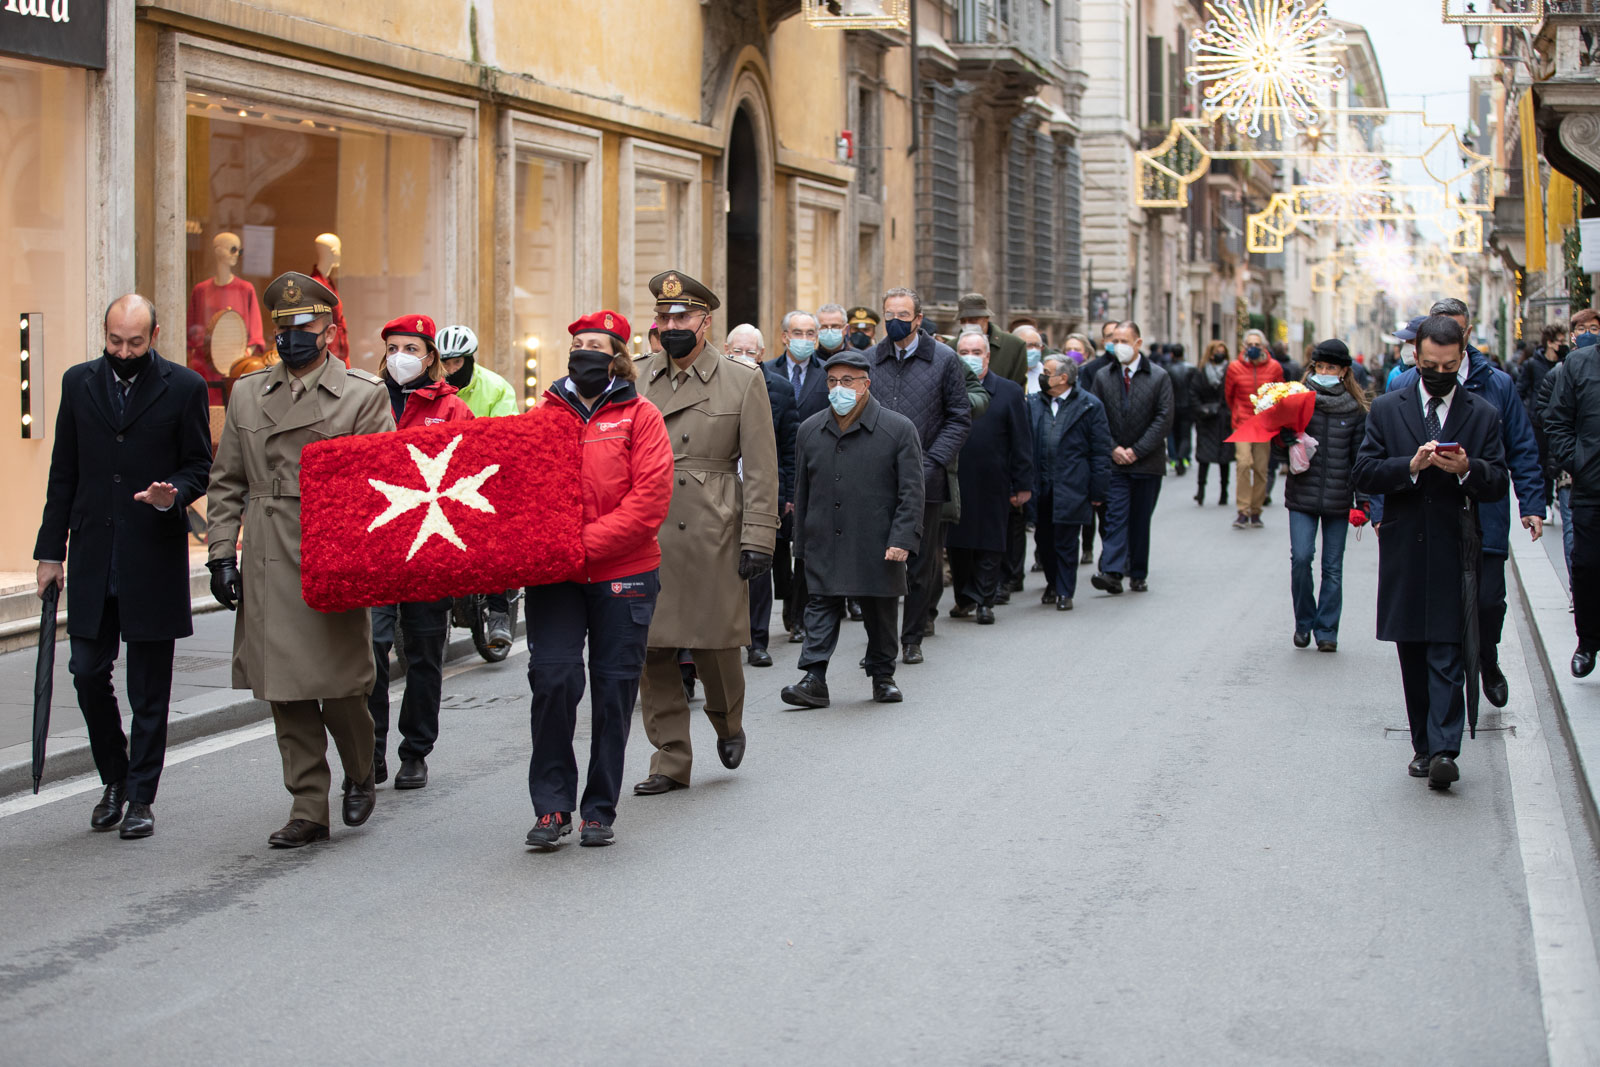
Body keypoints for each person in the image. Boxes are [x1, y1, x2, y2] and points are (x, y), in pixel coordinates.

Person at [207, 271, 394, 847]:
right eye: (283, 326)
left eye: (305, 325)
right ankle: (308, 805)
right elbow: (227, 482)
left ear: (331, 331)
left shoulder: (364, 394)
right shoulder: (246, 393)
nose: (292, 336)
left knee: (341, 688)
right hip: (266, 555)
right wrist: (220, 555)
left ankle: (360, 770)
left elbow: (383, 485)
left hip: (329, 554)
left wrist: (371, 561)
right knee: (284, 689)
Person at [33, 295, 212, 839]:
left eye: (134, 343)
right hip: (91, 556)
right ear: (105, 334)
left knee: (148, 691)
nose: (123, 352)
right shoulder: (78, 382)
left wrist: (171, 495)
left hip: (151, 557)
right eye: (115, 341)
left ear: (154, 336)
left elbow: (199, 467)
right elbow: (63, 470)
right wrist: (49, 552)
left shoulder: (184, 388)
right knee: (86, 672)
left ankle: (140, 797)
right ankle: (114, 776)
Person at [523, 310, 674, 850]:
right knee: (553, 679)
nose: (585, 350)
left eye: (597, 344)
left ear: (616, 355)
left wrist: (583, 544)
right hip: (556, 577)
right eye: (578, 342)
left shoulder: (641, 415)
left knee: (613, 692)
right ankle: (551, 808)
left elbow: (651, 497)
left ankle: (598, 809)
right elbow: (521, 493)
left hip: (625, 573)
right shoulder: (542, 415)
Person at [633, 270, 778, 796]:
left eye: (682, 316)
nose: (671, 324)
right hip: (648, 527)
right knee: (653, 646)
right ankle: (669, 757)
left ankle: (727, 720)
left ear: (704, 321)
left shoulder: (742, 379)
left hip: (714, 523)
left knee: (716, 643)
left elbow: (761, 466)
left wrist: (759, 536)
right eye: (663, 316)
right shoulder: (637, 377)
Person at [1352, 315, 1508, 791]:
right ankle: (1423, 744)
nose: (1439, 371)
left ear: (1461, 359)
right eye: (1430, 363)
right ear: (1415, 358)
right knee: (1413, 652)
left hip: (1453, 544)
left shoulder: (1480, 413)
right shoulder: (1386, 409)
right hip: (1403, 545)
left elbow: (1498, 479)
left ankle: (1444, 749)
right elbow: (1364, 472)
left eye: (1449, 363)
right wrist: (1411, 467)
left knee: (1447, 648)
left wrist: (1467, 469)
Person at [1390, 296, 1544, 709]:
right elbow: (1380, 450)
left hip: (1483, 515)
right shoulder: (1404, 385)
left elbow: (1521, 448)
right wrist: (1374, 506)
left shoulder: (1498, 384)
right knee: (1441, 616)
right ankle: (1444, 710)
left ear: (1465, 337)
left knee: (1489, 602)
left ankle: (1486, 657)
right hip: (1427, 523)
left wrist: (1532, 503)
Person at [366, 315, 473, 791]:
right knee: (370, 649)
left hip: (430, 547)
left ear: (429, 356)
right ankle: (370, 749)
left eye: (410, 348)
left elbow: (468, 470)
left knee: (425, 654)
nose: (399, 358)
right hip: (377, 546)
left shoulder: (452, 408)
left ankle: (415, 752)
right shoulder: (364, 398)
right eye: (392, 348)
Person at [781, 350, 923, 708]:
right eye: (832, 381)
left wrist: (902, 538)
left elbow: (912, 491)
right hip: (823, 538)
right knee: (820, 605)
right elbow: (803, 490)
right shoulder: (811, 430)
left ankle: (882, 676)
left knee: (880, 611)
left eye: (847, 381)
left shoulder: (898, 429)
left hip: (876, 540)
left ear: (865, 384)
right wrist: (800, 542)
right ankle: (813, 678)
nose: (838, 388)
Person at [867, 286, 972, 665]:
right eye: (889, 316)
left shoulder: (944, 360)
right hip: (876, 480)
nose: (895, 323)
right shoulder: (869, 360)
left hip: (926, 479)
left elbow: (959, 417)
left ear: (918, 319)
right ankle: (879, 644)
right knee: (876, 561)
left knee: (921, 561)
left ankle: (912, 637)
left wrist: (932, 462)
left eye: (902, 316)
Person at [1283, 340, 1370, 652]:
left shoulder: (1355, 410)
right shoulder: (1297, 401)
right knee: (1301, 558)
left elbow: (1361, 458)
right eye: (1319, 367)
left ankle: (1327, 630)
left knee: (1333, 567)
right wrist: (1285, 440)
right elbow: (1281, 450)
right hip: (1302, 493)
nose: (1324, 372)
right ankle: (1304, 623)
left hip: (1338, 497)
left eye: (1330, 368)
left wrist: (1364, 502)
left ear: (1344, 371)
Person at [437, 323, 519, 648]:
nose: (450, 369)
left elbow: (504, 436)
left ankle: (499, 613)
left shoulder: (496, 388)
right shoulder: (434, 386)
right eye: (446, 362)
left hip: (484, 474)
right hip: (443, 476)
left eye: (457, 362)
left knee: (491, 541)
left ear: (470, 359)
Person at [945, 328, 1032, 624]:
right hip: (956, 480)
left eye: (976, 352)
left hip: (995, 480)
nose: (970, 358)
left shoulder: (1008, 391)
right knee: (958, 545)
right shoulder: (948, 387)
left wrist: (1022, 483)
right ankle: (964, 599)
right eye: (964, 352)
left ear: (988, 356)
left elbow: (1021, 440)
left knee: (990, 542)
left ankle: (985, 599)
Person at [726, 323, 797, 667]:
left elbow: (788, 449)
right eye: (736, 351)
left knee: (757, 565)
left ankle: (757, 641)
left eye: (749, 352)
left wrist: (786, 495)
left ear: (762, 355)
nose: (742, 358)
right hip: (721, 489)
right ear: (726, 351)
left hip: (760, 490)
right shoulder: (715, 385)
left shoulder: (780, 390)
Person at [1088, 321, 1173, 595]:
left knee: (1139, 519)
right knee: (1115, 517)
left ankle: (1137, 572)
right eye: (1115, 340)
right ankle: (1112, 571)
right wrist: (1113, 448)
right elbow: (1095, 416)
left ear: (1138, 343)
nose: (1119, 345)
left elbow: (1163, 419)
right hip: (1115, 463)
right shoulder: (1103, 377)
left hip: (1147, 463)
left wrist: (1137, 450)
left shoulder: (1159, 377)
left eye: (1125, 340)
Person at [1538, 309, 1600, 676]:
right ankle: (1588, 641)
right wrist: (1576, 462)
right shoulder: (1578, 364)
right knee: (1588, 565)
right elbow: (1556, 418)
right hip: (1591, 485)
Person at [767, 310, 830, 645]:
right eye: (797, 332)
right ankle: (788, 599)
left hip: (816, 471)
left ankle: (800, 614)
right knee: (777, 546)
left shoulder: (827, 375)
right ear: (784, 336)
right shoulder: (767, 372)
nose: (804, 339)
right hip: (776, 470)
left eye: (810, 333)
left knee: (805, 546)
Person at [1031, 355, 1111, 611]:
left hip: (1072, 484)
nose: (1042, 376)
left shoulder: (1090, 405)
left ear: (1063, 378)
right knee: (1044, 540)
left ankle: (1065, 590)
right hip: (1041, 484)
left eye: (1047, 372)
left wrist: (1098, 489)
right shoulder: (1034, 403)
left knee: (1066, 541)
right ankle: (1053, 583)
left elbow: (1100, 451)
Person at [1225, 329, 1284, 529]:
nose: (1253, 348)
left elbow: (1280, 393)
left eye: (1257, 345)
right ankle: (1242, 510)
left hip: (1264, 423)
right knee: (1243, 463)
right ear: (1244, 347)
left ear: (1264, 346)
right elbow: (1229, 396)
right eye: (1249, 344)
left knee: (1260, 468)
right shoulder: (1234, 368)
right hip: (1242, 423)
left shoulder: (1274, 367)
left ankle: (1256, 511)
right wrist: (1238, 413)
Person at [1191, 340, 1233, 506]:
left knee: (1224, 458)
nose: (1219, 354)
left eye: (1222, 351)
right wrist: (1201, 409)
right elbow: (1193, 393)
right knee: (1204, 457)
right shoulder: (1201, 371)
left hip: (1223, 419)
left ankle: (1224, 492)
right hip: (1206, 419)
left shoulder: (1230, 370)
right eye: (1217, 351)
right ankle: (1200, 490)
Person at [955, 292, 1027, 386]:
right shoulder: (950, 347)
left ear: (986, 318)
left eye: (973, 319)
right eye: (963, 321)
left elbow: (1018, 385)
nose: (968, 324)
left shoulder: (1014, 346)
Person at [1166, 343, 1193, 476]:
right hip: (1187, 406)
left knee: (1172, 435)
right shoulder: (1190, 369)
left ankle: (1175, 458)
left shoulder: (1167, 369)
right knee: (1185, 435)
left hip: (1172, 406)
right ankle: (1183, 456)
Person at [1014, 324, 1047, 393]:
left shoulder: (1046, 373)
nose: (1034, 349)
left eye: (1037, 345)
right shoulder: (1008, 371)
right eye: (1029, 345)